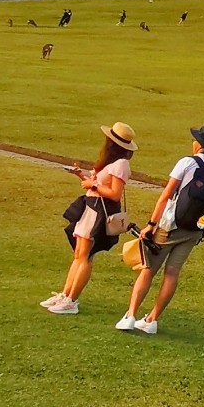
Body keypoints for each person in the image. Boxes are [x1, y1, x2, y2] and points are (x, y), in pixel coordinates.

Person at [118, 125, 204, 336]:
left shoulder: (187, 162)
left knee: (149, 269)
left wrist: (151, 224)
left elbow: (166, 194)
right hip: (195, 229)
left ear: (198, 145)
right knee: (172, 273)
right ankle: (152, 319)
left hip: (170, 225)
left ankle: (130, 315)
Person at [46, 122, 136, 315]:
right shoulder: (111, 162)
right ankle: (66, 294)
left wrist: (92, 185)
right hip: (90, 208)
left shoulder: (121, 164)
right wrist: (81, 175)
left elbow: (114, 193)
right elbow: (97, 183)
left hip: (99, 212)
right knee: (79, 253)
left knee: (85, 255)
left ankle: (72, 300)